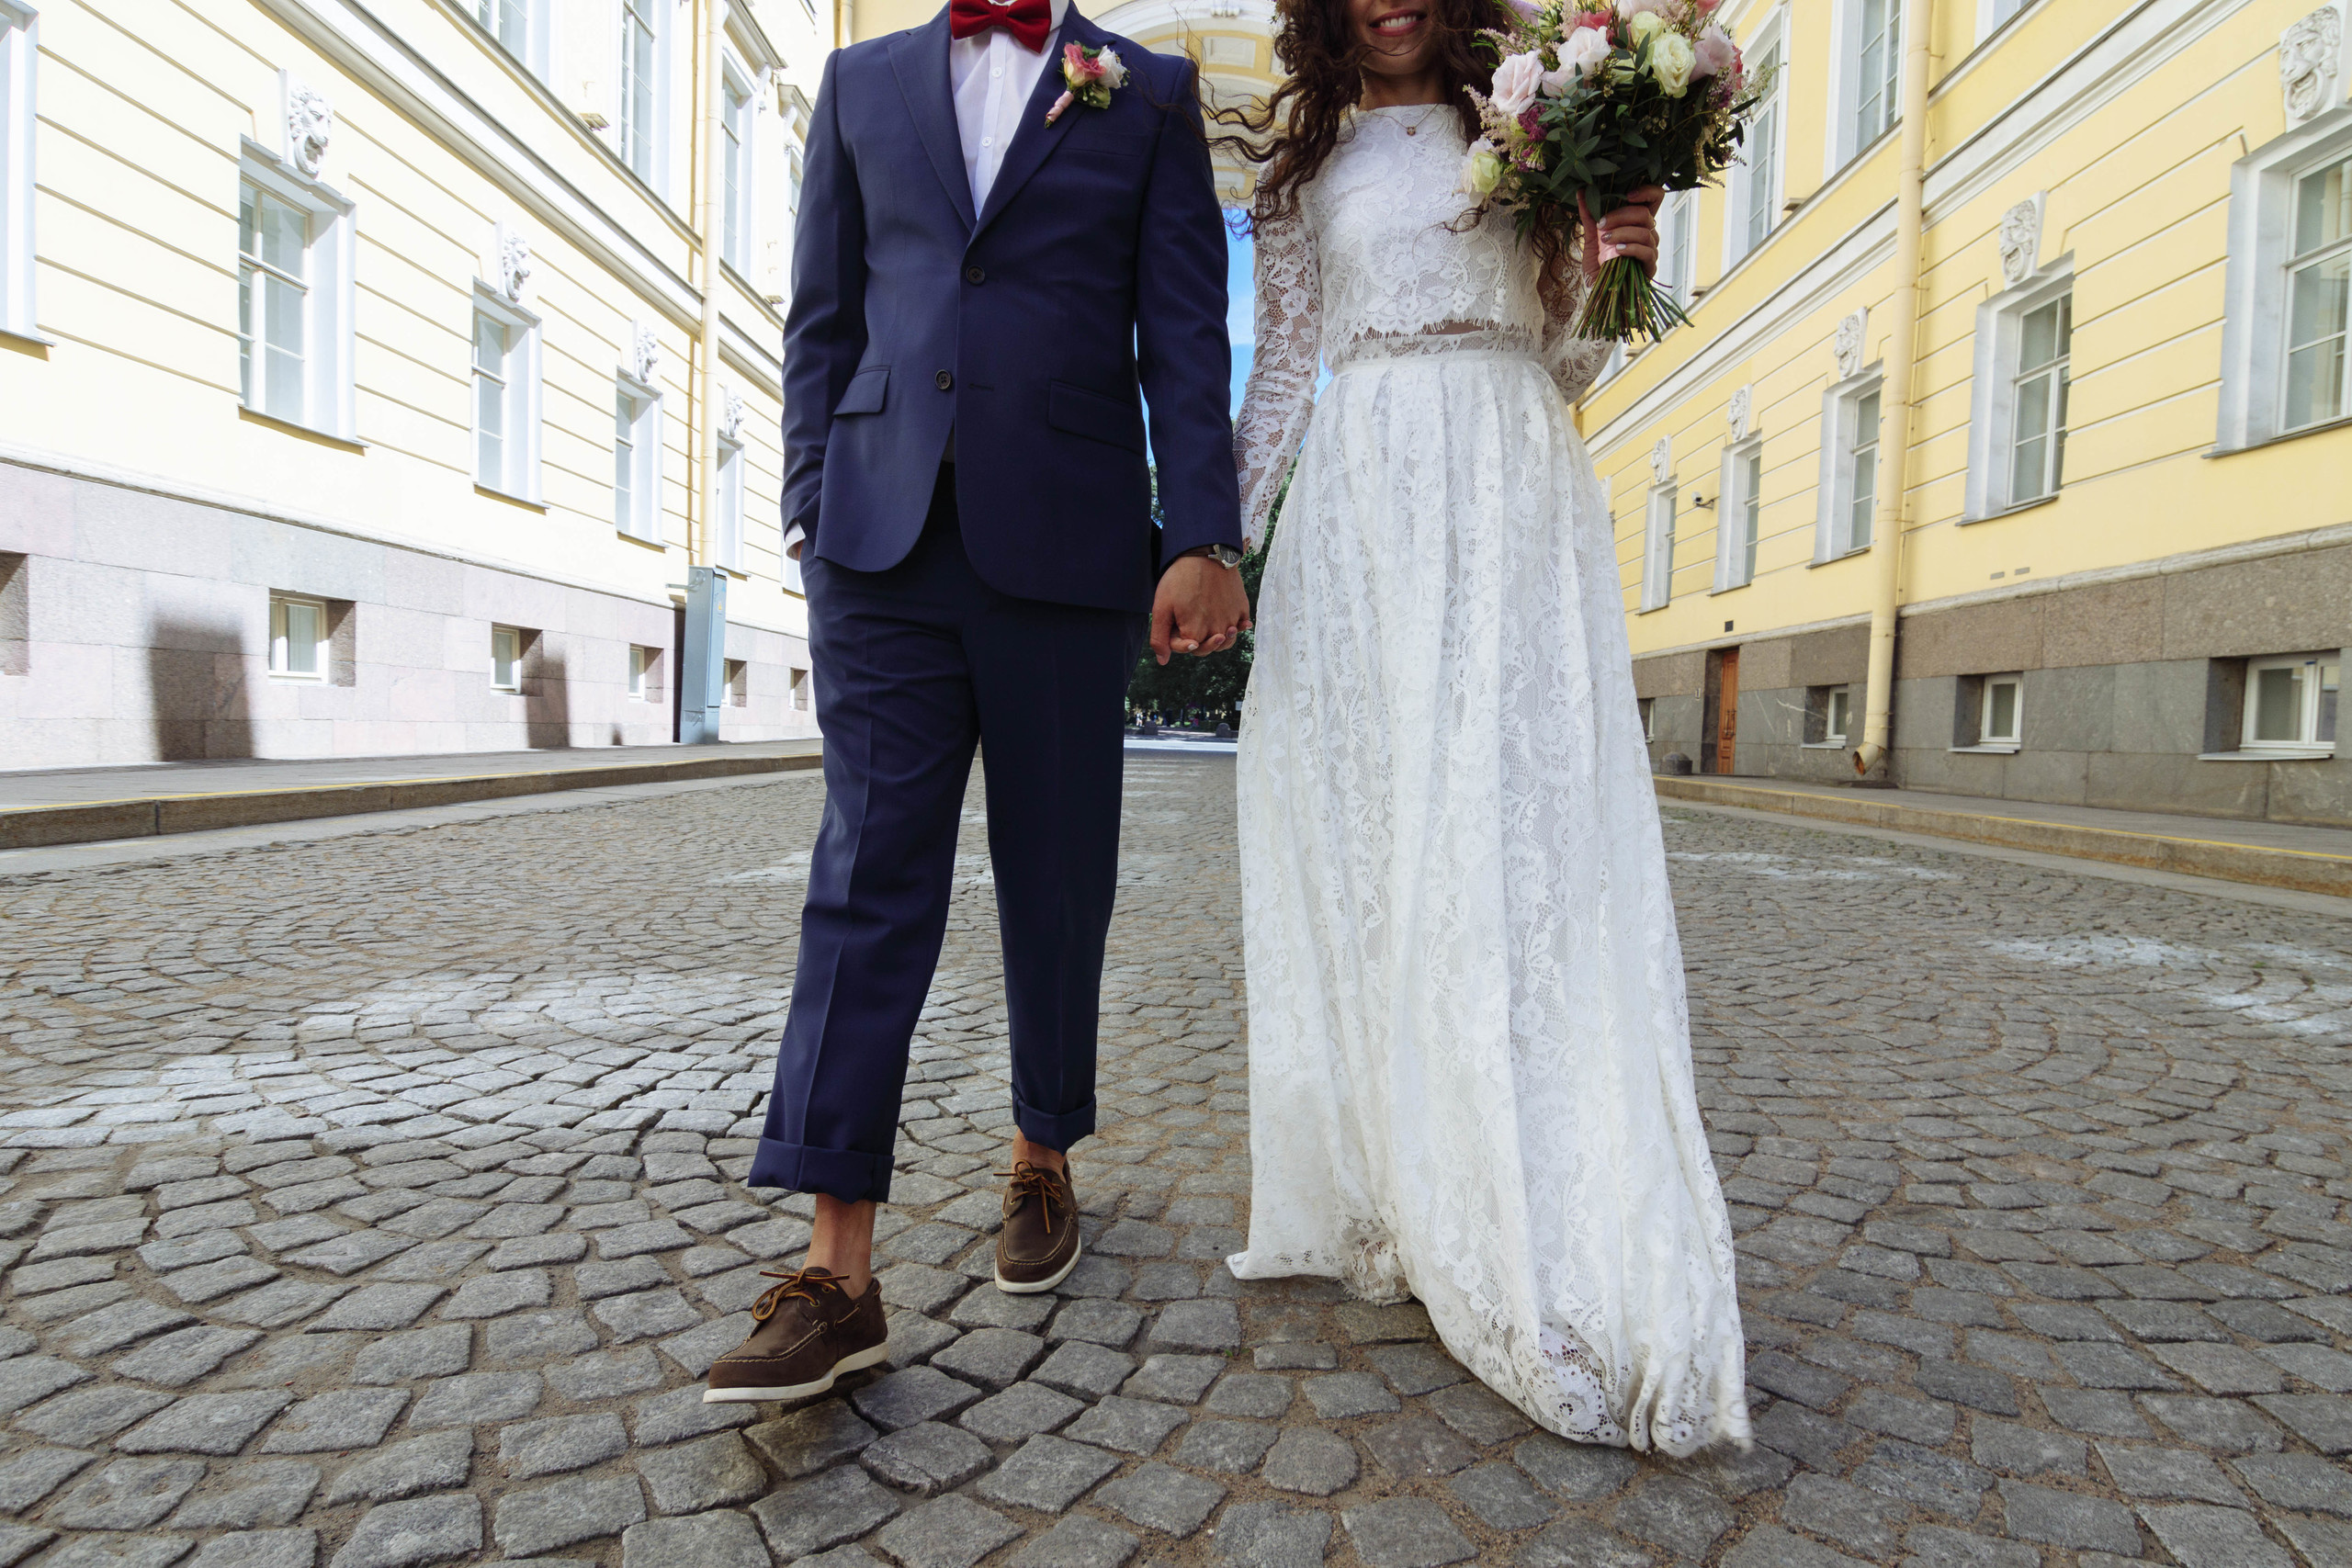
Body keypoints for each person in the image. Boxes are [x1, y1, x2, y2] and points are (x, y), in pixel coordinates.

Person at [1222, 0, 1751, 1452]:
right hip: (1366, 505)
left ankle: (1538, 1195)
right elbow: (1280, 373)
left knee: (1521, 851)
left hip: (1511, 486)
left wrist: (1608, 263)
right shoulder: (1303, 170)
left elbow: (1569, 360)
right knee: (1384, 848)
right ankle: (1403, 1177)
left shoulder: (1532, 125)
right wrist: (1215, 541)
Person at [703, 0, 1250, 1404]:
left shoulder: (1145, 92)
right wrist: (812, 510)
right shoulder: (857, 82)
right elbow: (821, 317)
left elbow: (1184, 328)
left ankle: (1043, 1156)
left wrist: (1199, 534)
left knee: (1057, 873)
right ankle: (839, 1270)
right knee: (866, 878)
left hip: (1067, 546)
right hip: (881, 545)